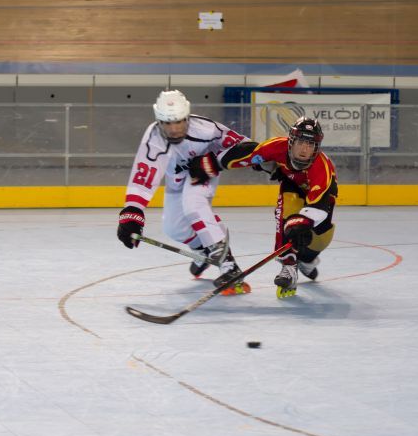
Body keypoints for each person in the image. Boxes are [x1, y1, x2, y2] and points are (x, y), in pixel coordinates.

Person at [116, 89, 251, 295]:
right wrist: (132, 213)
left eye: (178, 122)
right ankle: (206, 250)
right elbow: (144, 176)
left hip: (204, 172)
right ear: (159, 121)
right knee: (173, 228)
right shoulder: (153, 139)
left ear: (187, 117)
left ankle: (229, 265)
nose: (174, 129)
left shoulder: (205, 129)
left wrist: (213, 163)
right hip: (176, 180)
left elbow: (245, 146)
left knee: (193, 204)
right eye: (167, 123)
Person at [188, 116, 337, 299]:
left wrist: (304, 222)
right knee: (288, 211)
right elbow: (246, 153)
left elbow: (319, 204)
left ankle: (307, 260)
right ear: (291, 141)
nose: (305, 149)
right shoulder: (277, 147)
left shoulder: (322, 167)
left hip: (320, 202)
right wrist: (212, 163)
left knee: (320, 238)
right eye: (301, 142)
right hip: (291, 187)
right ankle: (289, 267)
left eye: (311, 144)